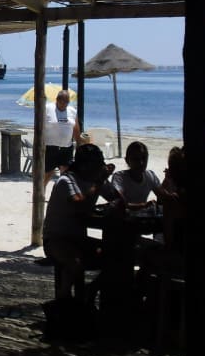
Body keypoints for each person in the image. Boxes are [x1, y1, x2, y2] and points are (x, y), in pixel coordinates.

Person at [42, 143, 122, 300]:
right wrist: (99, 182)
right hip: (56, 239)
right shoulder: (67, 180)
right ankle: (63, 300)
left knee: (118, 256)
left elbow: (118, 199)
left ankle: (90, 291)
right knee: (75, 262)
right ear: (85, 166)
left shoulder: (95, 179)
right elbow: (81, 205)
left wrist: (110, 187)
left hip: (78, 238)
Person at [110, 141, 170, 209]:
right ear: (127, 160)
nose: (141, 163)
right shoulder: (119, 177)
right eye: (136, 159)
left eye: (144, 158)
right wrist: (144, 205)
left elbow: (163, 197)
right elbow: (120, 204)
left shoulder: (150, 175)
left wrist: (167, 180)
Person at [44, 89, 82, 187]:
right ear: (57, 100)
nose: (64, 104)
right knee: (48, 173)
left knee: (66, 174)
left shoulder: (72, 111)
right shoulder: (47, 108)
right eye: (62, 102)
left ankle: (62, 194)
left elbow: (76, 128)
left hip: (66, 147)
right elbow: (39, 127)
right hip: (50, 147)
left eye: (67, 102)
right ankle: (41, 193)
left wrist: (79, 144)